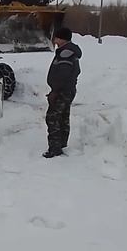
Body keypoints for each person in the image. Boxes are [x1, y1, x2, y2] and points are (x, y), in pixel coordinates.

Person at [43, 27, 82, 158]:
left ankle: (55, 148)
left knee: (52, 117)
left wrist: (55, 91)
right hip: (67, 90)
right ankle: (62, 144)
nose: (54, 40)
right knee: (63, 117)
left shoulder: (66, 53)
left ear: (61, 39)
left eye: (56, 37)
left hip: (63, 91)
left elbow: (63, 75)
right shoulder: (69, 52)